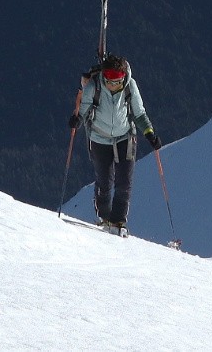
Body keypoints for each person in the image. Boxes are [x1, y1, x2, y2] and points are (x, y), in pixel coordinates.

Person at [68, 53, 161, 234]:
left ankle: (118, 222)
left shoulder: (129, 86)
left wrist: (150, 134)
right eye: (109, 79)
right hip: (99, 139)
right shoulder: (94, 87)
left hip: (125, 137)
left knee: (124, 182)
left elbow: (139, 113)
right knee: (105, 181)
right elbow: (85, 109)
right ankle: (104, 217)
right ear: (103, 75)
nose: (113, 84)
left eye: (117, 79)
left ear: (124, 76)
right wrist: (77, 121)